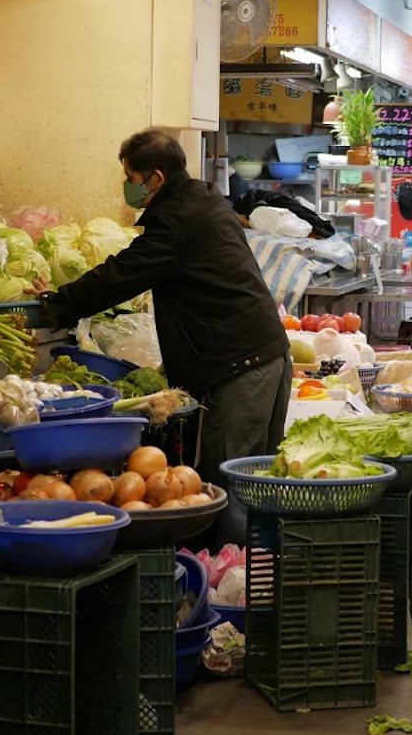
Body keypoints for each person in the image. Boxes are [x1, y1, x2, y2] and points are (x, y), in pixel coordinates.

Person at [39, 129, 292, 532]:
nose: (127, 187)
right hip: (264, 354)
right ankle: (251, 578)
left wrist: (55, 305)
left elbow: (121, 274)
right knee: (258, 485)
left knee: (228, 490)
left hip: (240, 366)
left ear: (155, 178)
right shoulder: (204, 200)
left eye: (131, 179)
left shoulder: (177, 221)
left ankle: (231, 582)